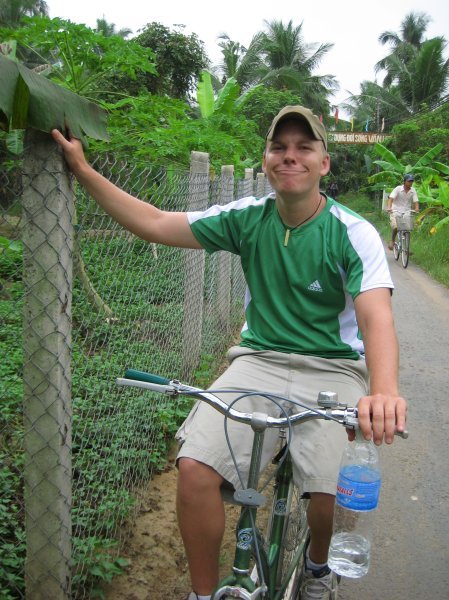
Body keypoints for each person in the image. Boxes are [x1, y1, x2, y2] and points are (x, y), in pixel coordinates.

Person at [51, 105, 407, 600]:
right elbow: (155, 222)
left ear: (324, 164)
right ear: (266, 161)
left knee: (327, 487)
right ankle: (203, 594)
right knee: (194, 467)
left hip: (333, 366)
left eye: (304, 148)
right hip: (256, 361)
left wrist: (384, 392)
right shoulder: (245, 219)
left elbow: (376, 316)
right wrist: (84, 171)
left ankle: (318, 566)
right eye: (278, 147)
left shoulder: (353, 233)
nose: (290, 156)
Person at [387, 174, 419, 250]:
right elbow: (391, 198)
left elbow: (416, 201)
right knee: (396, 227)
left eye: (412, 181)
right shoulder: (398, 189)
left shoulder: (413, 190)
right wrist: (389, 207)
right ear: (404, 182)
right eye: (409, 181)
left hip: (407, 211)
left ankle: (407, 248)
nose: (410, 183)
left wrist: (417, 208)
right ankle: (392, 240)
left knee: (408, 228)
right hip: (395, 210)